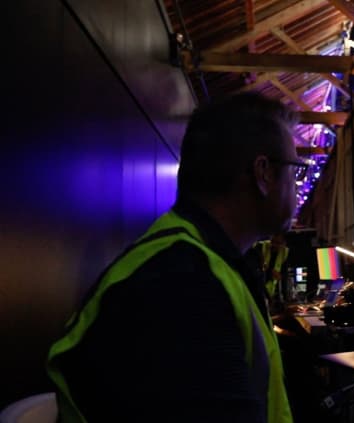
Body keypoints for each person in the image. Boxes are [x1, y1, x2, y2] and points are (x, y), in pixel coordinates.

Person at [46, 92, 306, 422]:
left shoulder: (197, 260)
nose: (297, 186)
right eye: (295, 170)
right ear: (263, 174)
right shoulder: (183, 286)